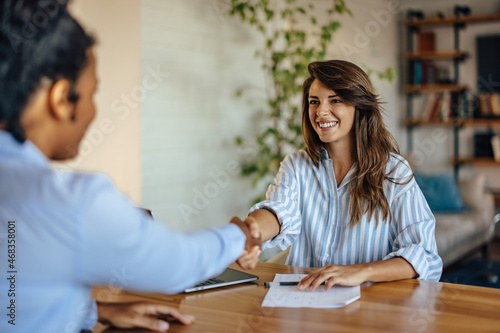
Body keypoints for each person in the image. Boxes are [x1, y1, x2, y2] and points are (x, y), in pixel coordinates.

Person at [0, 1, 260, 332]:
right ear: (62, 98)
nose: (94, 112)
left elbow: (14, 296)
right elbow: (178, 265)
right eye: (93, 93)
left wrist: (95, 311)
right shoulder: (72, 203)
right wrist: (239, 235)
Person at [235, 60, 443, 290]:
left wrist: (360, 271)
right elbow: (278, 212)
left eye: (335, 100)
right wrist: (249, 233)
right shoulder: (296, 165)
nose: (321, 112)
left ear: (359, 106)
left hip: (369, 309)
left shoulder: (393, 170)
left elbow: (424, 255)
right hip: (303, 302)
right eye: (314, 102)